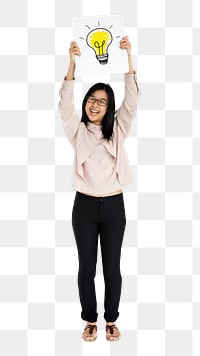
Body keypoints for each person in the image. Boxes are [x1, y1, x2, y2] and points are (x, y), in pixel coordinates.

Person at [58, 36, 139, 342]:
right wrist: (72, 64)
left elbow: (132, 100)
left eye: (102, 101)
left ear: (109, 108)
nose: (95, 105)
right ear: (86, 103)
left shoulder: (118, 130)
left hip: (114, 206)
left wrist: (129, 56)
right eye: (92, 99)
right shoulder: (77, 131)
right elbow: (64, 105)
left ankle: (111, 320)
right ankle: (90, 320)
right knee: (86, 269)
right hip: (85, 207)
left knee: (113, 271)